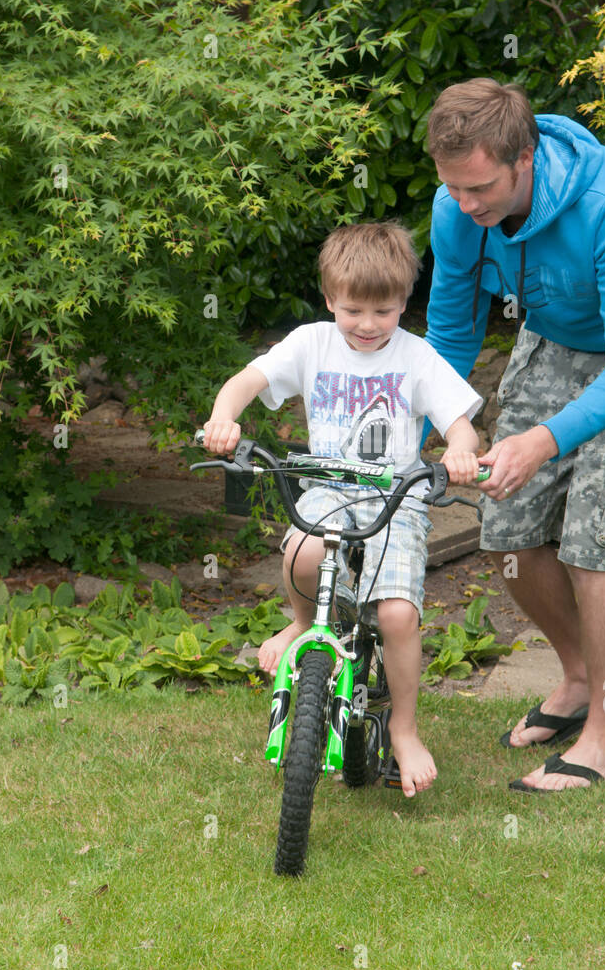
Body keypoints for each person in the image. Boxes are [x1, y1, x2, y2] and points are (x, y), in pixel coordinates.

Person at [425, 79, 605, 793]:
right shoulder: (456, 209)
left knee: (594, 547)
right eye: (452, 187)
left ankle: (603, 741)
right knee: (509, 527)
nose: (465, 204)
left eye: (480, 188)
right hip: (555, 333)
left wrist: (541, 441)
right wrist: (425, 427)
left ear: (524, 158)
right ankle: (579, 677)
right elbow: (451, 335)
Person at [202, 221, 483, 797]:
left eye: (384, 311)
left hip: (395, 496)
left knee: (397, 615)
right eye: (353, 310)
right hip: (328, 486)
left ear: (404, 301)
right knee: (302, 552)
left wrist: (459, 450)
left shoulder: (416, 357)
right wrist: (223, 417)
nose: (368, 324)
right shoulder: (311, 343)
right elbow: (245, 381)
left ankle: (404, 729)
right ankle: (304, 623)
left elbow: (461, 426)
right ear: (330, 299)